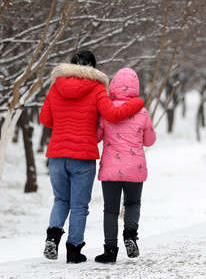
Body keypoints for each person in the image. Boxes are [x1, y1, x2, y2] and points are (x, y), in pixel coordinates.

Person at [39, 50, 144, 264]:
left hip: (57, 154)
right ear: (93, 67)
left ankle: (52, 236)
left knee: (61, 200)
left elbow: (45, 118)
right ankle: (74, 251)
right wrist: (137, 103)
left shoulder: (55, 86)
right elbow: (112, 115)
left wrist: (64, 125)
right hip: (83, 155)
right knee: (79, 206)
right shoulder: (96, 87)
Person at [94, 68, 157, 264]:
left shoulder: (106, 112)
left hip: (111, 169)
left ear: (113, 86)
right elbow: (150, 141)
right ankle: (130, 235)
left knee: (110, 210)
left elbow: (96, 137)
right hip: (134, 168)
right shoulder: (143, 112)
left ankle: (110, 251)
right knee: (132, 204)